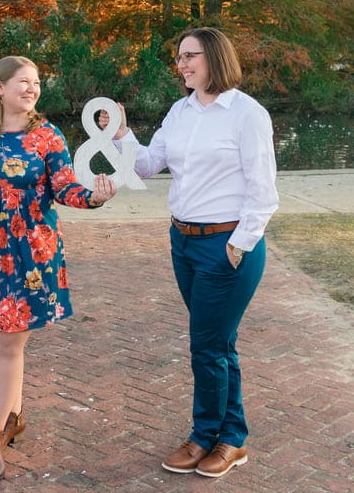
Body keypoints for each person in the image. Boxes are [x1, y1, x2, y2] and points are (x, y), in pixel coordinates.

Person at [0, 55, 118, 482]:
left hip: (29, 250)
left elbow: (64, 187)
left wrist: (96, 198)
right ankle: (12, 419)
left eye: (37, 83)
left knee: (5, 341)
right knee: (5, 341)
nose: (32, 89)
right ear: (0, 87)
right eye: (24, 82)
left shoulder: (46, 135)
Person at [115, 27, 279, 479]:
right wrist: (123, 135)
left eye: (192, 56)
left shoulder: (247, 114)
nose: (183, 64)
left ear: (216, 59)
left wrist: (238, 246)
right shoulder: (180, 111)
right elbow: (148, 166)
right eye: (180, 56)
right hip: (183, 242)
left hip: (225, 247)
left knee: (206, 346)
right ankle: (233, 438)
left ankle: (207, 436)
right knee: (218, 344)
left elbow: (264, 194)